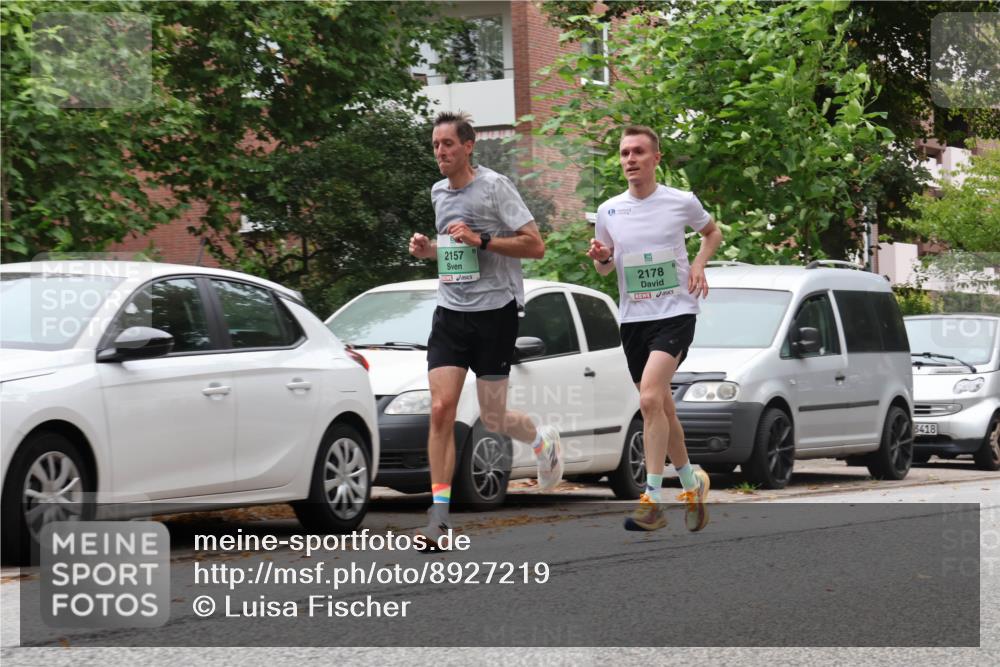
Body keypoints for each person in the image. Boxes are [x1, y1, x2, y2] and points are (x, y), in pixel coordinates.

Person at [408, 111, 563, 550]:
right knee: (441, 410)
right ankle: (439, 518)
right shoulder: (438, 192)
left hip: (495, 312)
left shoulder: (495, 187)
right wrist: (429, 250)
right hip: (450, 312)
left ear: (468, 146)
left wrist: (484, 241)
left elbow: (535, 244)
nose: (440, 152)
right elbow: (453, 252)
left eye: (448, 144)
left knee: (492, 418)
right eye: (436, 145)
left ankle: (540, 440)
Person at [586, 125, 723, 532]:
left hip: (676, 312)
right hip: (633, 319)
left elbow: (711, 232)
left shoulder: (680, 202)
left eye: (638, 152)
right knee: (661, 406)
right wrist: (602, 256)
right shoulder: (609, 210)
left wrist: (698, 264)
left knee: (648, 398)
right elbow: (605, 266)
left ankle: (652, 500)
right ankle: (690, 482)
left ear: (656, 158)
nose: (630, 159)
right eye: (625, 152)